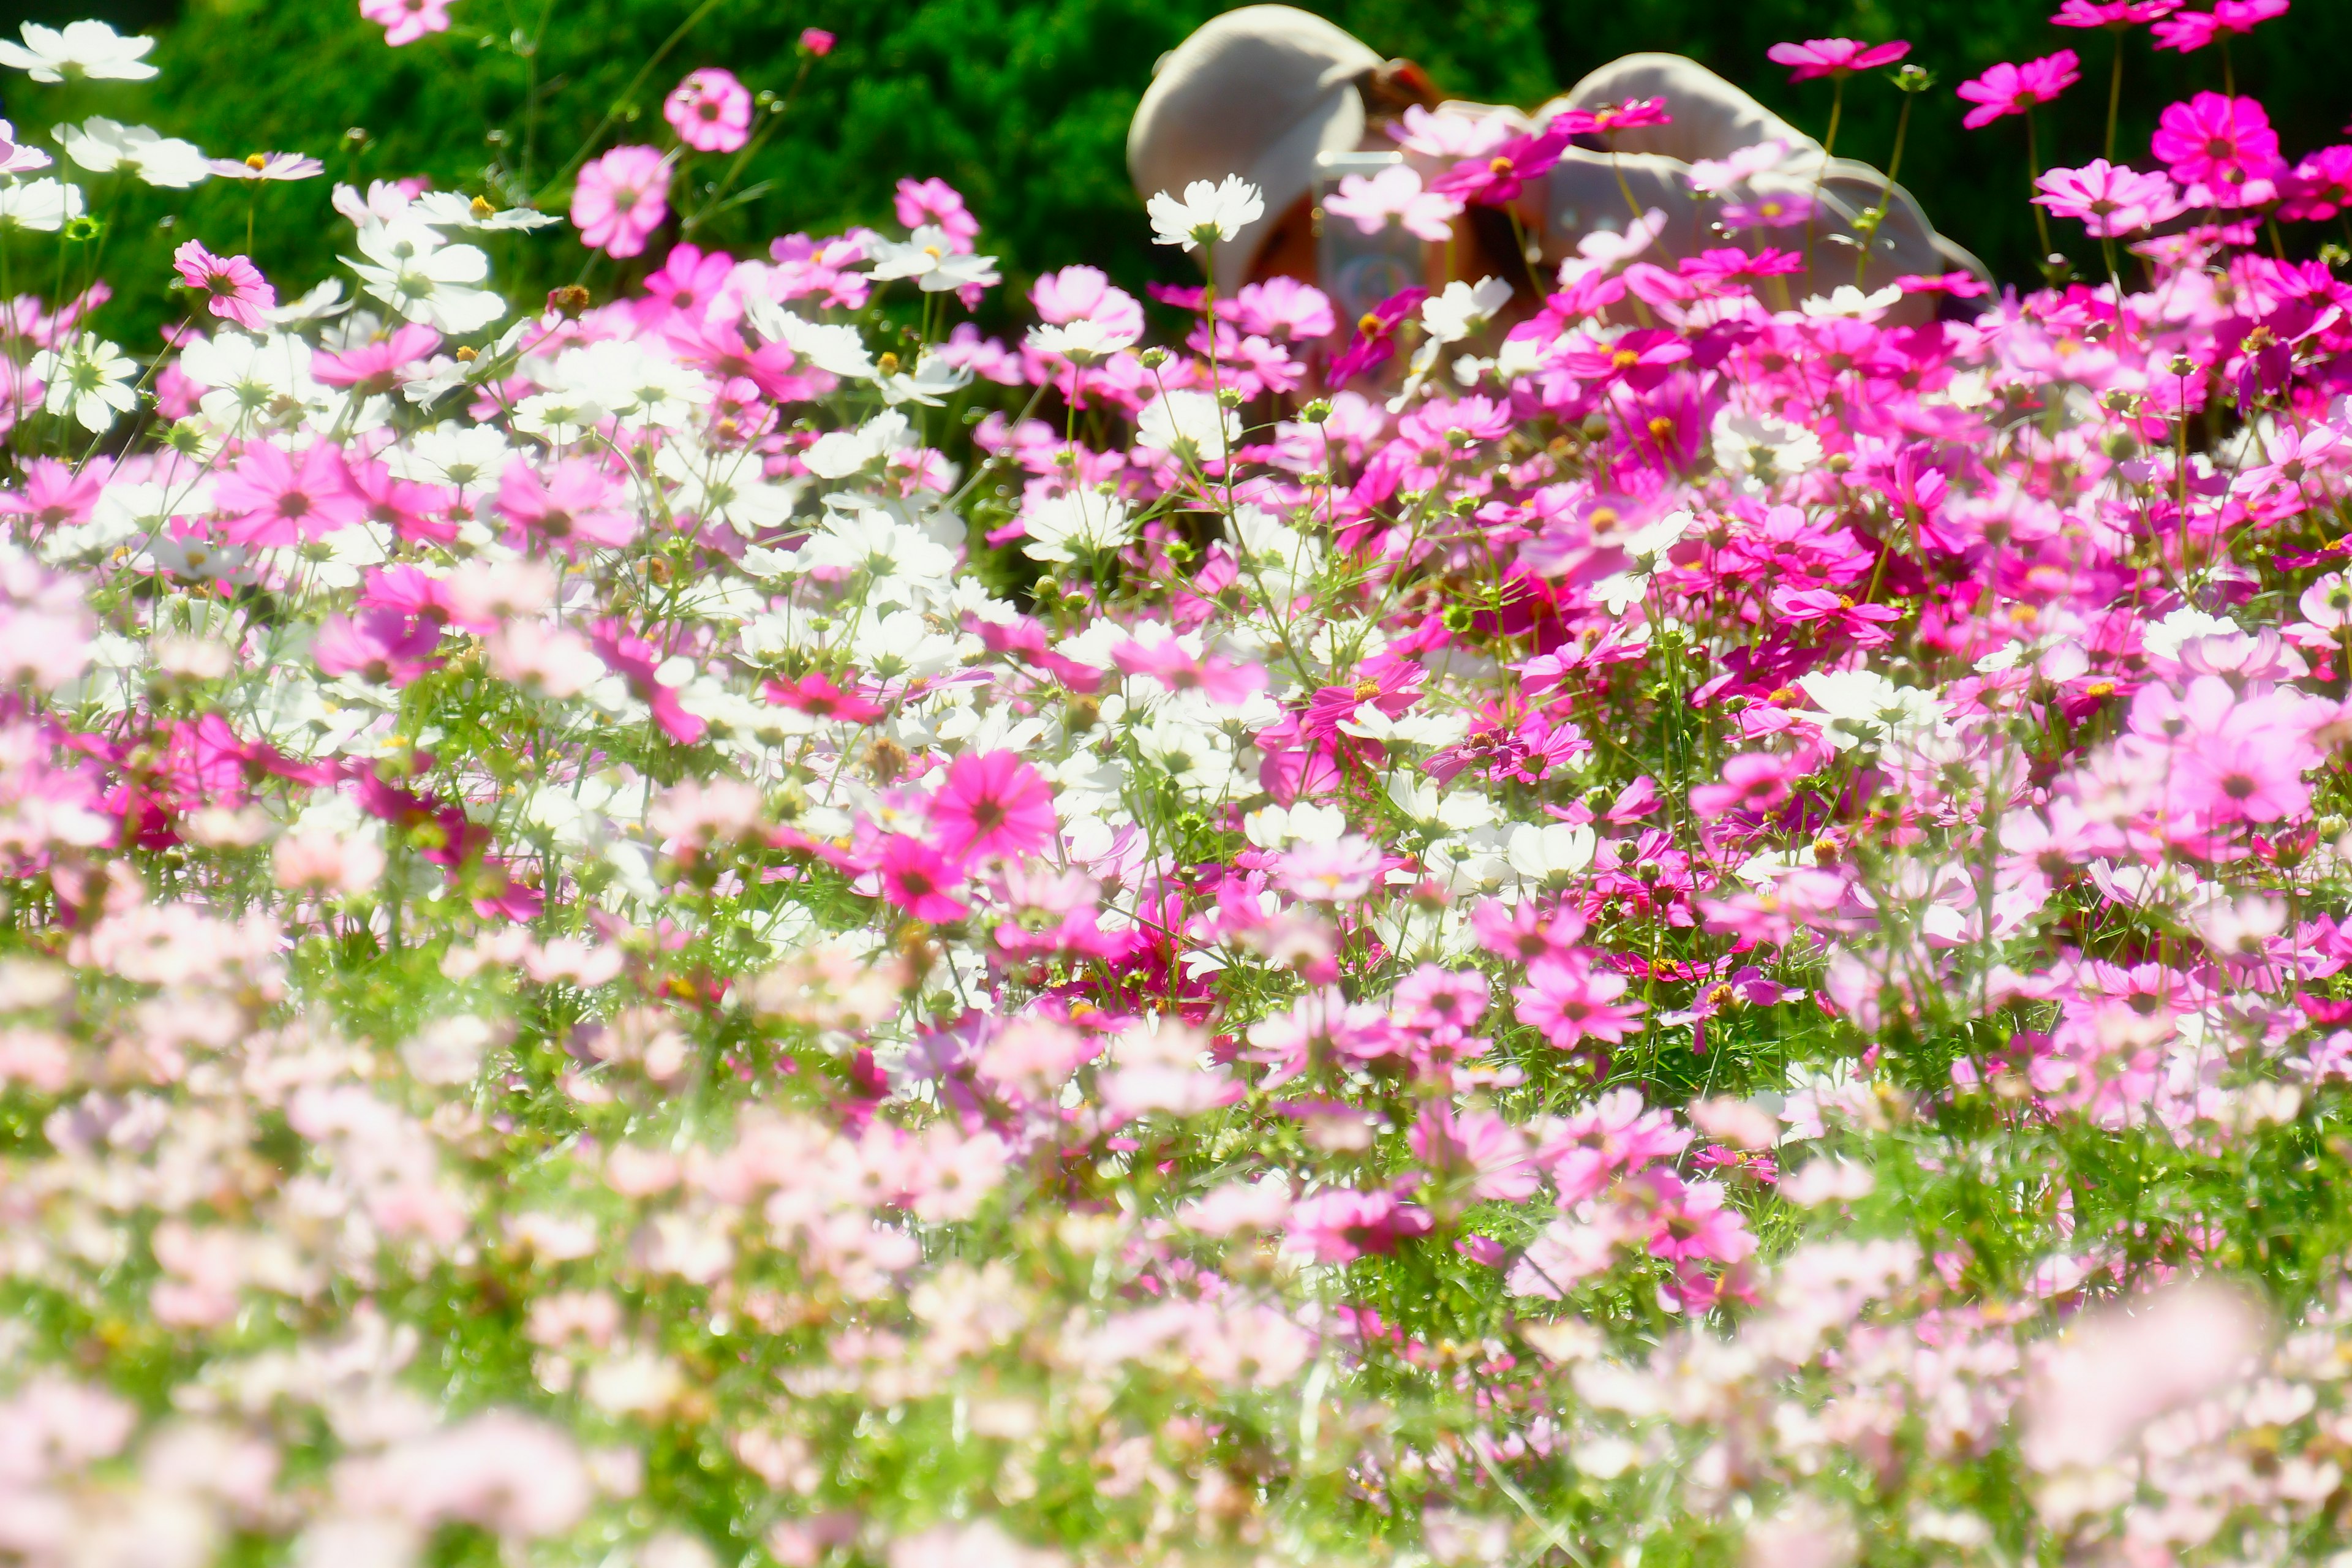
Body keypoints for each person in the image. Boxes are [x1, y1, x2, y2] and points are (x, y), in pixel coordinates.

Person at [1127, 6, 1989, 328]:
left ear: (1406, 104)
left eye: (1329, 198)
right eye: (1282, 258)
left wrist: (1541, 180)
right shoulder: (1351, 429)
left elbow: (1894, 262)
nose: (1327, 263)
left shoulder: (1629, 120)